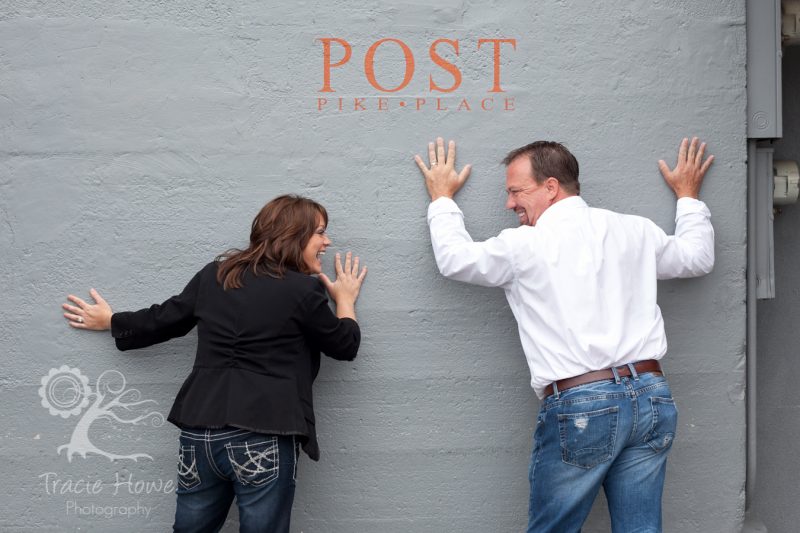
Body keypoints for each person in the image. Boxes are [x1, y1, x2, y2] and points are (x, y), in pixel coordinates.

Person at [414, 137, 714, 532]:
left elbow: (454, 259)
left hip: (583, 405)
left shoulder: (525, 244)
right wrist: (689, 198)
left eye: (516, 191)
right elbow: (696, 257)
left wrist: (441, 199)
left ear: (551, 187)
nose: (510, 204)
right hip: (651, 397)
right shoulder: (634, 230)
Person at [61, 194, 367, 533]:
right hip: (264, 433)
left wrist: (113, 321)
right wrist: (346, 301)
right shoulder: (302, 291)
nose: (327, 241)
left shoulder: (215, 276)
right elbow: (344, 345)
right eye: (320, 232)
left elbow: (165, 320)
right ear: (293, 235)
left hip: (200, 433)